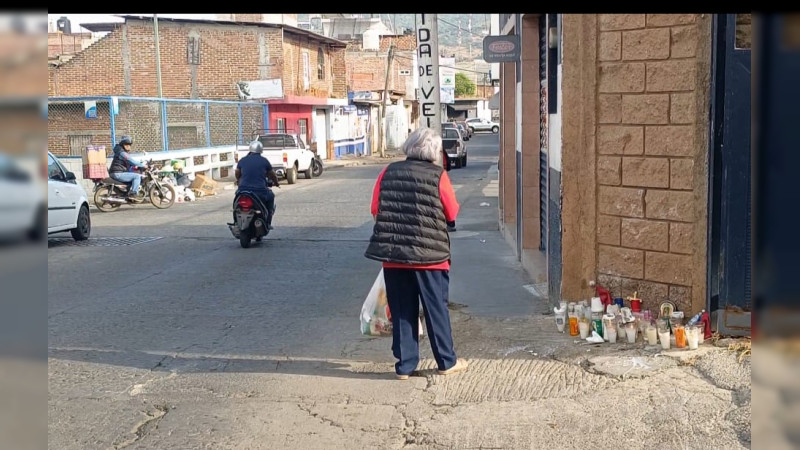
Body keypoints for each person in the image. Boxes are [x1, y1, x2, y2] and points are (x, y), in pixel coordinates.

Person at [365, 127, 468, 380]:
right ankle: (445, 361)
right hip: (431, 258)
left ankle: (405, 366)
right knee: (436, 310)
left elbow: (375, 208)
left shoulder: (387, 172)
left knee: (401, 310)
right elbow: (452, 212)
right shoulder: (438, 175)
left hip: (394, 256)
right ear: (434, 151)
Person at [235, 140, 280, 229]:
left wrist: (239, 180)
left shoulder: (242, 160)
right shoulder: (264, 161)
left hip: (242, 191)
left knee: (236, 203)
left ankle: (235, 221)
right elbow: (272, 174)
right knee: (271, 196)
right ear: (260, 150)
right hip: (260, 191)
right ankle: (268, 221)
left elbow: (237, 173)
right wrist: (276, 183)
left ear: (250, 149)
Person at [108, 135, 148, 202]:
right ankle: (134, 194)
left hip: (117, 172)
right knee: (137, 177)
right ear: (123, 145)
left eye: (129, 144)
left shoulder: (121, 152)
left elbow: (130, 163)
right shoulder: (122, 153)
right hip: (117, 173)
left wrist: (136, 165)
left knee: (133, 175)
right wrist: (142, 165)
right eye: (126, 144)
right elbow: (131, 160)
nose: (128, 146)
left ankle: (128, 194)